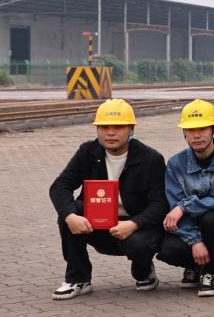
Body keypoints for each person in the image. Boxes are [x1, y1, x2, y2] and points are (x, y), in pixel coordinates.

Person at [49, 99, 166, 299]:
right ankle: (78, 278)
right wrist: (70, 216)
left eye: (118, 127)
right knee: (69, 213)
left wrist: (134, 224)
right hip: (99, 223)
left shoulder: (151, 159)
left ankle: (144, 270)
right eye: (104, 127)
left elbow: (160, 204)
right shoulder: (87, 152)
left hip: (135, 227)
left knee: (138, 245)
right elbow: (60, 186)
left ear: (131, 129)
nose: (110, 133)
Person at [156, 99, 214, 297]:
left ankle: (208, 272)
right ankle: (195, 265)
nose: (196, 135)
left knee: (212, 218)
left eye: (202, 129)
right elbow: (173, 204)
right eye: (191, 130)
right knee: (168, 250)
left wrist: (184, 206)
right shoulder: (176, 164)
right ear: (184, 133)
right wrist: (194, 241)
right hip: (188, 228)